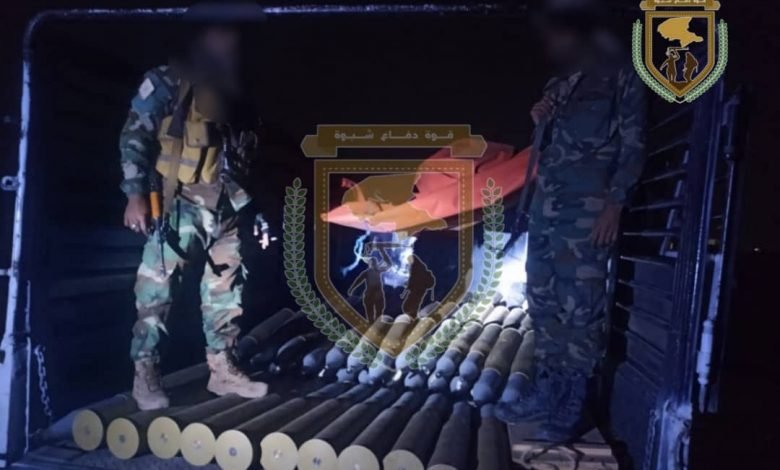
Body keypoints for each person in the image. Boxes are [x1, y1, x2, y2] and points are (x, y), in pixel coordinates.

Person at [496, 1, 647, 441]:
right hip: (547, 211)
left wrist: (615, 204)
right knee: (543, 300)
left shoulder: (622, 76)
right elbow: (549, 152)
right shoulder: (558, 84)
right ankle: (549, 390)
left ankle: (574, 404)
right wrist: (539, 121)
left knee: (581, 307)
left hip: (587, 213)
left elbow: (634, 144)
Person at [120, 3, 269, 410]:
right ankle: (145, 374)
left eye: (235, 35)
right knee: (157, 290)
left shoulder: (239, 94)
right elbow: (135, 135)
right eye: (222, 33)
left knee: (226, 292)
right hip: (179, 202)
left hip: (228, 208)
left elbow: (248, 159)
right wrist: (135, 194)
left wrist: (254, 212)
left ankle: (222, 369)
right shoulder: (166, 80)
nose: (230, 42)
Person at [348, 256, 390, 323]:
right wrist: (352, 288)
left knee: (379, 310)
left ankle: (375, 323)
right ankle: (370, 322)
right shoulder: (367, 272)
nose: (373, 264)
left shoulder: (378, 270)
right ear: (369, 264)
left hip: (378, 293)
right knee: (369, 312)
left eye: (374, 263)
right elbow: (359, 280)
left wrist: (383, 252)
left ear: (376, 263)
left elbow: (388, 265)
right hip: (370, 293)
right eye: (371, 263)